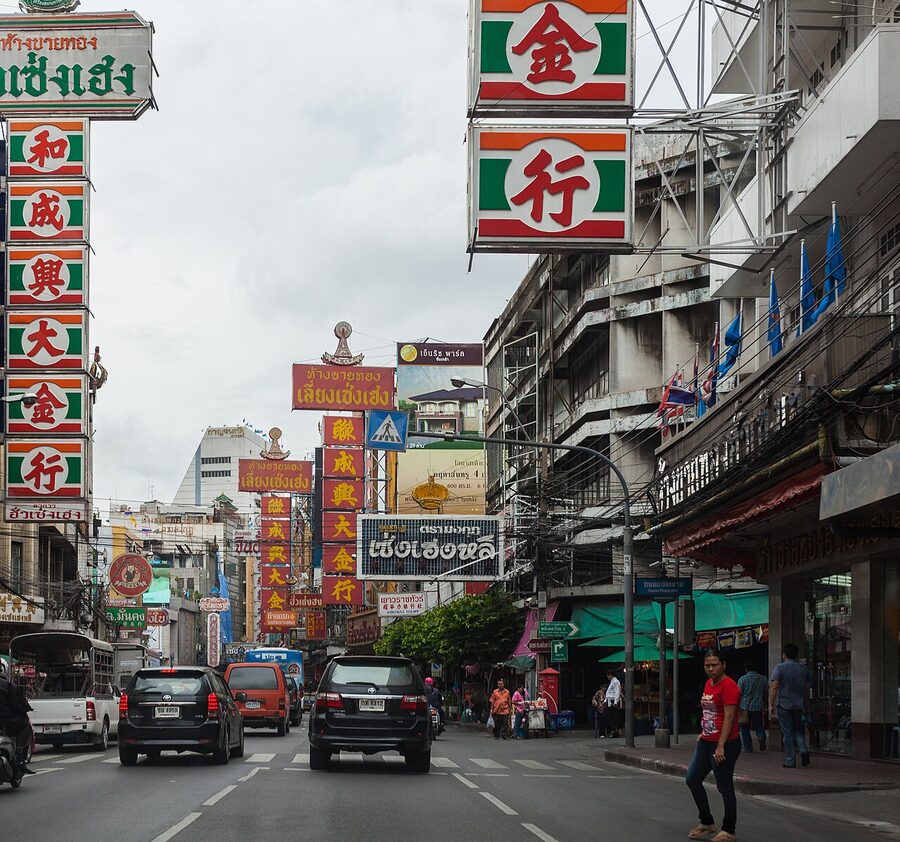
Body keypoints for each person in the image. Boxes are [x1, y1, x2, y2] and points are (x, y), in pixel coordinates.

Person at [685, 649, 741, 842]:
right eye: (707, 665)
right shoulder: (709, 684)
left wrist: (721, 745)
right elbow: (710, 712)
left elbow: (730, 716)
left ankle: (729, 830)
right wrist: (704, 732)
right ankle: (707, 821)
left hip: (725, 744)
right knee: (692, 779)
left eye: (714, 665)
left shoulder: (729, 686)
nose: (710, 669)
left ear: (723, 664)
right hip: (706, 742)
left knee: (724, 786)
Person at [769, 643, 811, 768]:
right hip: (799, 705)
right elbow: (807, 687)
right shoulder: (803, 669)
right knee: (798, 729)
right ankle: (803, 749)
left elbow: (775, 686)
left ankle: (790, 760)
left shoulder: (780, 668)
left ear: (784, 655)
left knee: (787, 733)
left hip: (784, 704)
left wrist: (771, 704)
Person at [0, 661, 35, 775]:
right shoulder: (8, 686)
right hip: (7, 722)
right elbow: (17, 705)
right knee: (25, 724)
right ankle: (19, 756)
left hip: (5, 722)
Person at [737, 661, 767, 752]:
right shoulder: (763, 679)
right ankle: (761, 736)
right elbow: (766, 692)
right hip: (758, 706)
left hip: (744, 707)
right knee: (759, 724)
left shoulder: (742, 679)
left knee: (744, 727)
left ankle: (748, 747)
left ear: (746, 668)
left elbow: (738, 694)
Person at [604, 669, 623, 737]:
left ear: (611, 675)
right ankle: (614, 729)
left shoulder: (615, 682)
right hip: (609, 700)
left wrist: (615, 702)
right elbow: (609, 693)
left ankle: (614, 728)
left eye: (608, 675)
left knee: (608, 714)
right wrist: (605, 701)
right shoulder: (612, 682)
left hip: (612, 700)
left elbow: (617, 692)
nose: (607, 677)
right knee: (611, 715)